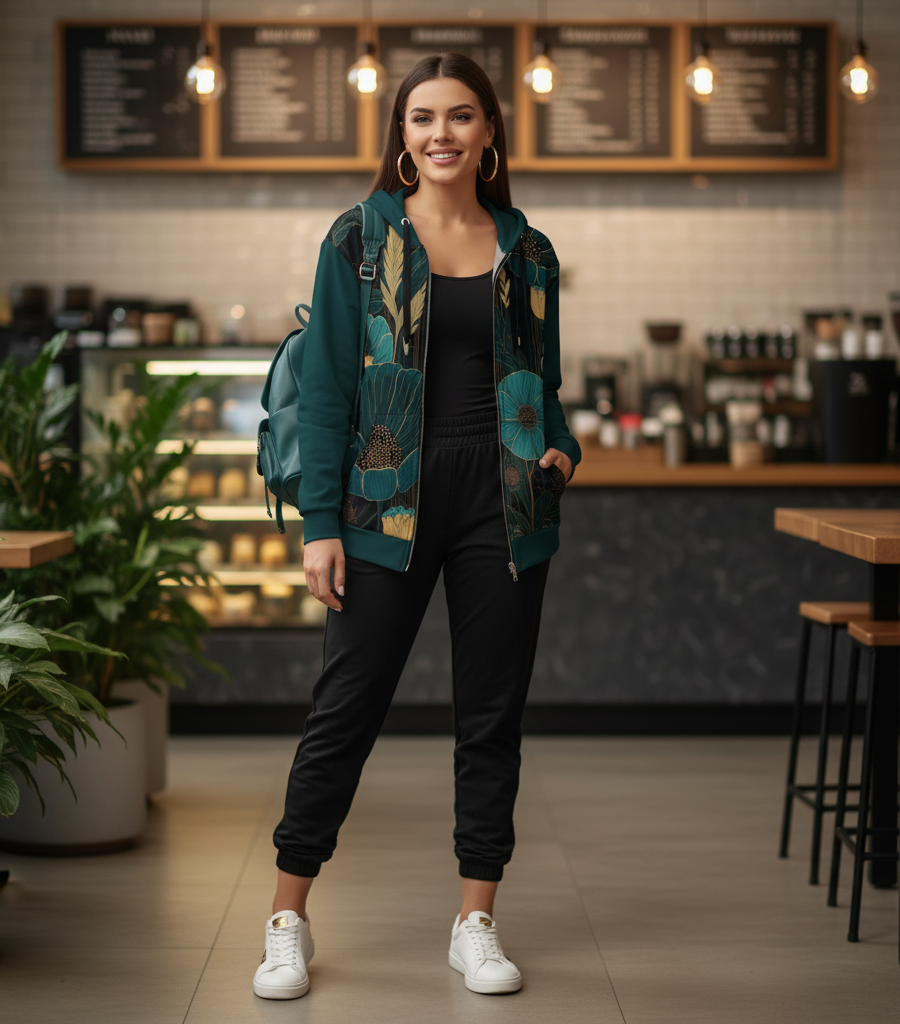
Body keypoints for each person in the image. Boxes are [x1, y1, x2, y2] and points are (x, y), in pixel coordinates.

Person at [253, 52, 581, 1001]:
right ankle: (288, 919)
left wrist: (560, 449)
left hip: (506, 501)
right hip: (380, 496)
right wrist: (320, 524)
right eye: (423, 117)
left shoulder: (530, 250)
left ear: (488, 135)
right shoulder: (359, 238)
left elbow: (547, 388)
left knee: (491, 718)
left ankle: (476, 920)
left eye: (462, 117)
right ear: (401, 134)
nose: (442, 133)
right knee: (343, 713)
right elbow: (325, 392)